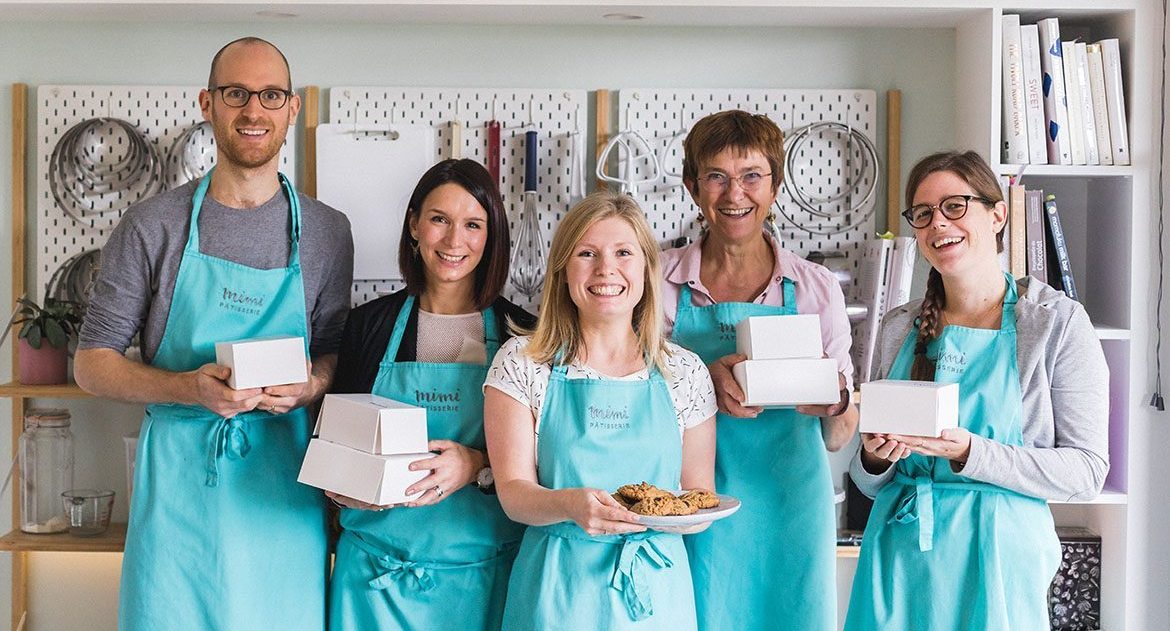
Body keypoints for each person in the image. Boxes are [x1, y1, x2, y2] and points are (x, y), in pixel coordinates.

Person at [73, 37, 353, 630]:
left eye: (270, 95)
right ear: (208, 102)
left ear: (292, 109)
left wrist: (308, 386)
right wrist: (188, 388)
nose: (254, 111)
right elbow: (92, 362)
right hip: (179, 496)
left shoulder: (328, 232)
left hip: (281, 492)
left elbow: (332, 353)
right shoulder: (152, 226)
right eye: (236, 94)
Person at [844, 150, 1109, 629]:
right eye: (922, 214)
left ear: (998, 213)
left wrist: (970, 453)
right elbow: (867, 480)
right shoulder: (898, 326)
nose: (937, 224)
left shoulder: (1056, 324)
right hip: (899, 560)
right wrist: (876, 458)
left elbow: (1086, 471)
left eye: (955, 206)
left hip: (999, 563)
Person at [659, 109, 857, 631]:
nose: (734, 194)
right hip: (688, 500)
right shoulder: (657, 280)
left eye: (751, 176)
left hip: (789, 505)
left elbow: (839, 434)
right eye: (716, 177)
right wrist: (701, 377)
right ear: (692, 185)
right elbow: (626, 391)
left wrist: (834, 398)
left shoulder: (816, 289)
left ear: (775, 185)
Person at [483, 191, 717, 630]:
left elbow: (698, 495)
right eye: (586, 253)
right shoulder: (522, 364)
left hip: (654, 593)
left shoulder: (684, 372)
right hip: (556, 594)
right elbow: (514, 494)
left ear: (647, 271)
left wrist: (659, 517)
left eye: (623, 253)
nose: (605, 269)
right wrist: (570, 504)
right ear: (563, 272)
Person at [326, 158, 533, 630]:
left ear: (491, 236)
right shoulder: (367, 327)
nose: (454, 241)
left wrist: (477, 464)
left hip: (484, 582)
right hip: (374, 584)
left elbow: (548, 462)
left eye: (473, 224)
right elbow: (335, 445)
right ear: (414, 225)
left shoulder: (524, 335)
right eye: (439, 219)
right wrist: (342, 487)